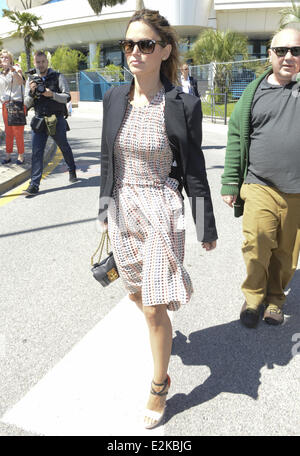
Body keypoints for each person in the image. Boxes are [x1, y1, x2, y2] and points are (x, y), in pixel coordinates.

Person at [98, 8, 217, 429]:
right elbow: (108, 159)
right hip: (122, 208)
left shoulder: (183, 105)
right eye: (128, 44)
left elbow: (194, 169)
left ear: (164, 50)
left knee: (152, 308)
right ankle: (160, 334)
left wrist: (205, 224)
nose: (135, 52)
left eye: (145, 44)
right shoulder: (114, 97)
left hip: (161, 209)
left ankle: (159, 384)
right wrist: (103, 211)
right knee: (135, 294)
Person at [221, 27, 300, 328]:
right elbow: (236, 140)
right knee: (256, 243)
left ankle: (276, 299)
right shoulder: (253, 94)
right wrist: (230, 182)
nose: (288, 57)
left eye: (296, 51)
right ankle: (253, 298)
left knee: (286, 253)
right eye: (281, 51)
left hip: (296, 191)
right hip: (259, 184)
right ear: (270, 55)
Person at [23, 50, 77, 195]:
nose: (40, 65)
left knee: (64, 146)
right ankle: (34, 185)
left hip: (57, 119)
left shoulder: (58, 76)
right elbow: (26, 104)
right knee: (36, 153)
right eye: (38, 62)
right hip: (39, 120)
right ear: (34, 63)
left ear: (47, 62)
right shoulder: (31, 80)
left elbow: (67, 97)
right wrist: (32, 92)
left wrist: (51, 94)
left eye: (43, 62)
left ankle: (72, 170)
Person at [0, 50, 26, 165]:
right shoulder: (1, 74)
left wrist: (13, 70)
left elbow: (21, 82)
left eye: (6, 57)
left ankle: (21, 155)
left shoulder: (16, 68)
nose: (4, 59)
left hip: (17, 103)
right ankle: (8, 154)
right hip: (5, 105)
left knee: (18, 132)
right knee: (8, 131)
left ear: (11, 59)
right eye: (2, 57)